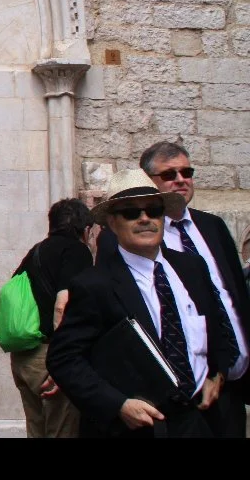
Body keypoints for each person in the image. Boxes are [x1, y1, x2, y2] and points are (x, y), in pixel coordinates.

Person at [46, 168, 228, 438]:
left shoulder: (191, 268)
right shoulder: (95, 284)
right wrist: (118, 405)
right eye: (131, 212)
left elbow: (216, 324)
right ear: (112, 222)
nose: (145, 219)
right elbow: (64, 359)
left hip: (198, 421)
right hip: (137, 429)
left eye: (153, 210)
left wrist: (217, 373)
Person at [140, 141, 250, 438]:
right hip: (188, 391)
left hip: (234, 383)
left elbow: (234, 295)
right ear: (149, 182)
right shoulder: (139, 235)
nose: (180, 179)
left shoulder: (211, 225)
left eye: (186, 172)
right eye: (169, 174)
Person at [8, 198, 96, 438]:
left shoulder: (36, 251)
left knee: (36, 430)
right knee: (61, 431)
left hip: (25, 358)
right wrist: (63, 362)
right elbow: (62, 305)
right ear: (86, 229)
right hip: (50, 356)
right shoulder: (77, 251)